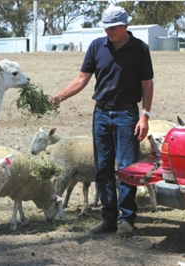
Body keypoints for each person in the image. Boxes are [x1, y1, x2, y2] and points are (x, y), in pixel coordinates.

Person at [50, 5, 154, 237]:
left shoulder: (139, 48)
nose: (109, 31)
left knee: (127, 168)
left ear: (125, 25)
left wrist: (144, 115)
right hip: (101, 114)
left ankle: (126, 220)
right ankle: (108, 219)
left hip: (127, 115)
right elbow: (82, 78)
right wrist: (60, 96)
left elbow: (147, 83)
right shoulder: (97, 46)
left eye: (113, 27)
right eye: (106, 27)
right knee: (102, 168)